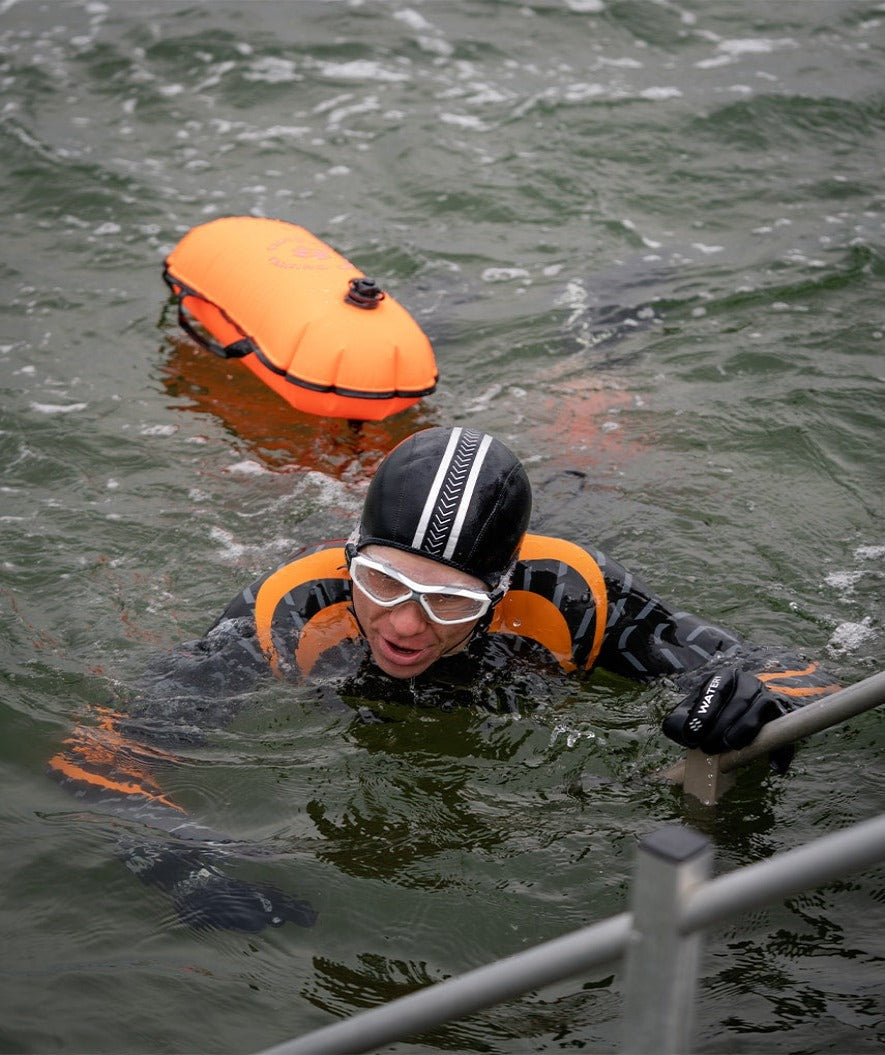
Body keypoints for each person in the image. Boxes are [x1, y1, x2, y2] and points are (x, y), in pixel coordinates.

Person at [50, 425, 838, 932]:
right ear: (351, 555)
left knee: (595, 440)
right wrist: (183, 861)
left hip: (583, 508)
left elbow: (797, 669)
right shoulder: (293, 607)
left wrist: (749, 698)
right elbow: (95, 758)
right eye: (385, 582)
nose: (402, 623)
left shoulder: (568, 596)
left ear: (497, 592)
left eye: (447, 601)